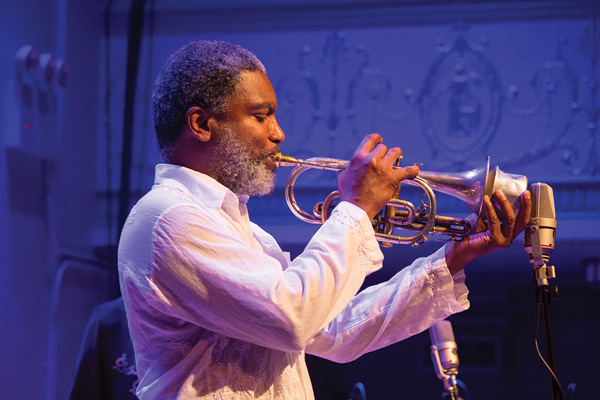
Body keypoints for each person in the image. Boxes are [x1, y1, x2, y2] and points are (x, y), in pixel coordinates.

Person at [118, 40, 531, 399]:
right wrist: (356, 208)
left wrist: (453, 257)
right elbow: (291, 317)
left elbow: (335, 330)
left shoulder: (246, 232)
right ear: (202, 124)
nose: (278, 134)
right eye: (261, 116)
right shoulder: (167, 218)